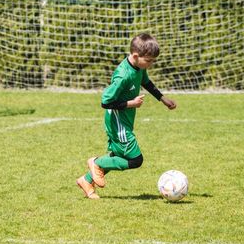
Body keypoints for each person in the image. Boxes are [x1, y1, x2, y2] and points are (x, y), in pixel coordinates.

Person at [76, 33, 177, 199]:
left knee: (118, 156)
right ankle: (96, 162)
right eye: (149, 60)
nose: (151, 64)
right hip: (118, 122)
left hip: (125, 120)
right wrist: (131, 103)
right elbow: (105, 102)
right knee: (135, 160)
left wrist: (163, 99)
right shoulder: (123, 75)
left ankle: (86, 181)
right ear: (136, 56)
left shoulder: (139, 67)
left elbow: (146, 82)